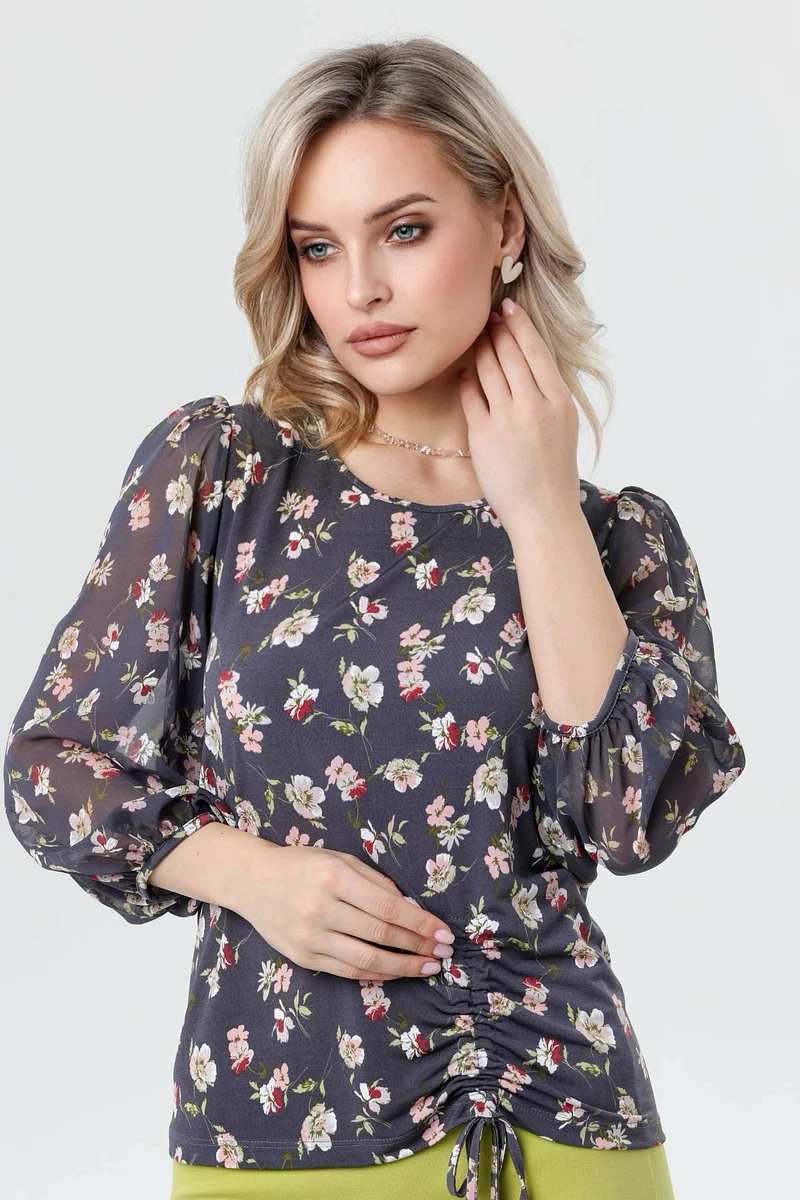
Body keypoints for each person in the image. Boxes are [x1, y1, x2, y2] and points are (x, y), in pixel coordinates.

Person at [3, 35, 746, 1200]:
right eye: (317, 246)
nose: (358, 290)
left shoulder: (616, 538)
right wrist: (248, 876)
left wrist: (538, 505)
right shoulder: (225, 474)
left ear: (503, 225)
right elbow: (54, 768)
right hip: (277, 1124)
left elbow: (626, 817)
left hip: (563, 1123)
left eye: (402, 230)